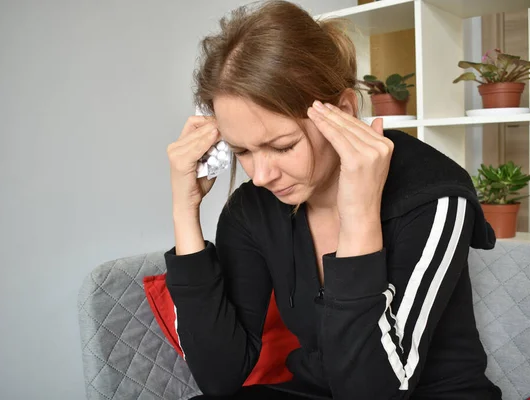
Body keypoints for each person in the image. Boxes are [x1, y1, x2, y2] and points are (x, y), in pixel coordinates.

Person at [164, 1, 502, 399]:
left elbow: (371, 392)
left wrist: (358, 214)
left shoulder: (434, 197)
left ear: (342, 109)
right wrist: (185, 211)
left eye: (282, 146)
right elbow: (219, 378)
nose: (261, 175)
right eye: (243, 151)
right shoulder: (253, 207)